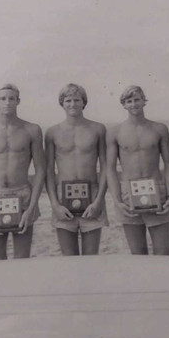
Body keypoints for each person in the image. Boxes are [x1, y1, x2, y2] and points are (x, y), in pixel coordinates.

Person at [0, 84, 45, 260]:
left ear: (18, 101)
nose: (7, 102)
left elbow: (41, 169)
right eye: (3, 98)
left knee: (22, 258)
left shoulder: (32, 130)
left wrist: (32, 206)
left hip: (22, 194)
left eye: (11, 98)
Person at [106, 85, 169, 255]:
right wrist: (117, 200)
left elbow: (168, 163)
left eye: (137, 99)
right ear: (123, 105)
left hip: (157, 190)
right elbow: (110, 168)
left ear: (144, 101)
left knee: (162, 253)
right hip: (128, 193)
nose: (133, 104)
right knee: (138, 255)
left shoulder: (159, 129)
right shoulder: (115, 131)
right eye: (129, 101)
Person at [45, 83, 108, 255]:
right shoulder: (52, 132)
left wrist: (99, 200)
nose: (72, 104)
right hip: (62, 196)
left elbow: (105, 166)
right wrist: (54, 203)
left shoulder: (98, 129)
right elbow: (49, 170)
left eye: (76, 100)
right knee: (69, 257)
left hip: (92, 194)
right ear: (62, 103)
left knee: (91, 256)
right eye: (68, 100)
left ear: (84, 102)